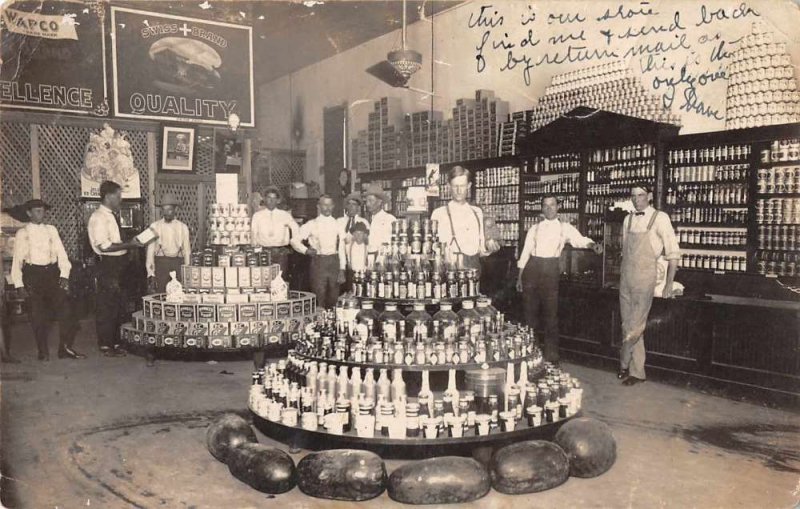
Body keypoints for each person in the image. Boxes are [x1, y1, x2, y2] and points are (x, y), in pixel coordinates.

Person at [515, 195, 602, 365]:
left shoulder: (565, 228)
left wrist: (592, 245)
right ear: (542, 208)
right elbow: (525, 253)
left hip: (551, 271)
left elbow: (579, 240)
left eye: (552, 205)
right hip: (532, 270)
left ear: (558, 207)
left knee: (551, 315)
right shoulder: (535, 228)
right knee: (530, 314)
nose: (548, 209)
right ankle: (530, 354)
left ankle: (551, 357)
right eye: (545, 206)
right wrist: (519, 278)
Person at [618, 182, 680, 386]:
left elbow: (673, 254)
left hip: (646, 276)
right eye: (633, 196)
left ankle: (625, 364)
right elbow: (625, 250)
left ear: (650, 196)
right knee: (627, 323)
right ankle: (638, 371)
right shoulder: (627, 219)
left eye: (641, 195)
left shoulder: (660, 218)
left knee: (636, 324)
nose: (637, 199)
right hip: (626, 275)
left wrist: (668, 284)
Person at [11, 199, 83, 361]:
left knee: (66, 311)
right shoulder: (23, 233)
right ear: (29, 213)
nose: (41, 213)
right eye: (37, 211)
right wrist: (19, 284)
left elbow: (62, 255)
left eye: (42, 210)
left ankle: (64, 348)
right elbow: (17, 261)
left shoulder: (51, 230)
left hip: (52, 273)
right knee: (38, 315)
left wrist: (64, 275)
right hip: (32, 275)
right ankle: (42, 351)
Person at [88, 181, 144, 357]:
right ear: (107, 196)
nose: (120, 199)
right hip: (108, 265)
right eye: (118, 196)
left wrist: (129, 243)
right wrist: (130, 245)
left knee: (118, 305)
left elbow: (115, 241)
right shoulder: (98, 217)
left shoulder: (111, 216)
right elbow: (104, 246)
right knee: (107, 306)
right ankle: (106, 345)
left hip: (119, 264)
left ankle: (116, 342)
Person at [430, 166, 497, 275]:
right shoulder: (439, 214)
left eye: (462, 186)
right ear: (448, 186)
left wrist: (489, 246)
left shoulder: (477, 212)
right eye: (455, 186)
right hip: (449, 267)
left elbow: (481, 249)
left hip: (473, 266)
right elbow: (433, 247)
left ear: (469, 186)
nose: (459, 190)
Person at [294, 195, 344, 309]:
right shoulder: (312, 224)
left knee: (334, 298)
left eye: (330, 205)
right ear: (319, 206)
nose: (327, 208)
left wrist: (342, 269)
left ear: (333, 206)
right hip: (318, 262)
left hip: (334, 262)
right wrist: (306, 250)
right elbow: (294, 241)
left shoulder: (338, 224)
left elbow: (341, 248)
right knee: (319, 295)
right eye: (324, 205)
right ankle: (320, 324)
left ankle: (332, 324)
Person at [251, 186, 303, 277]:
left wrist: (296, 243)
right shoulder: (257, 216)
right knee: (264, 278)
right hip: (263, 252)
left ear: (278, 201)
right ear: (264, 199)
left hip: (281, 253)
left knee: (280, 278)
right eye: (269, 198)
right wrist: (255, 249)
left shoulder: (285, 215)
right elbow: (253, 234)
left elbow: (295, 229)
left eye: (274, 198)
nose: (271, 201)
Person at [146, 194, 191, 294]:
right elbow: (150, 252)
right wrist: (151, 274)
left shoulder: (182, 227)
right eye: (164, 209)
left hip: (177, 264)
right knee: (161, 295)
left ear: (175, 210)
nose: (166, 213)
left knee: (177, 295)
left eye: (169, 209)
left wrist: (187, 272)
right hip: (161, 264)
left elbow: (187, 251)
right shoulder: (155, 226)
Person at [363, 183, 396, 264]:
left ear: (379, 202)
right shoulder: (366, 220)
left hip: (381, 262)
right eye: (366, 201)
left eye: (370, 200)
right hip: (367, 261)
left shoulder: (389, 219)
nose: (367, 204)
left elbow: (391, 244)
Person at [342, 221, 369, 292]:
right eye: (356, 233)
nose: (358, 235)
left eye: (361, 233)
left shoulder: (369, 247)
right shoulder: (348, 246)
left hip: (364, 275)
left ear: (365, 234)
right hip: (351, 275)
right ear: (353, 234)